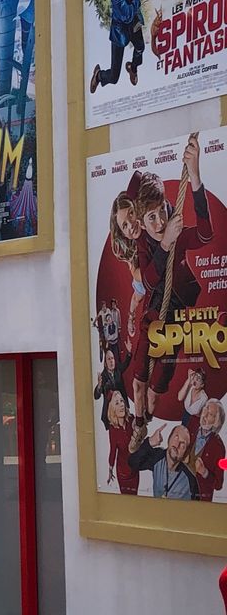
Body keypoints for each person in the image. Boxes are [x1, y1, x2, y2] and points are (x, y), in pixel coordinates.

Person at [130, 136, 212, 451]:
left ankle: (147, 417)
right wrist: (164, 244)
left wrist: (195, 178)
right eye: (151, 218)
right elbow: (151, 281)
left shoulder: (174, 229)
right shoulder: (144, 242)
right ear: (141, 222)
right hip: (151, 317)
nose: (160, 221)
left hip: (173, 322)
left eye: (162, 212)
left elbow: (205, 234)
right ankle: (139, 426)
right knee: (139, 381)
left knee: (156, 390)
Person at [89, 0, 148, 92]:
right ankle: (98, 76)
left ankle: (133, 68)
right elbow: (126, 15)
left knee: (140, 48)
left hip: (134, 23)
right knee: (114, 77)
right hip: (120, 32)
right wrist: (138, 0)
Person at [129, 423, 198, 499]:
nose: (177, 444)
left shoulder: (190, 478)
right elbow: (132, 463)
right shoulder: (158, 457)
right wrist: (150, 442)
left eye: (183, 445)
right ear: (169, 438)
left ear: (186, 453)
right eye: (176, 437)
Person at [187, 398, 226, 502]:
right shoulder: (192, 423)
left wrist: (204, 472)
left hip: (199, 498)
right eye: (206, 409)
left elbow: (218, 484)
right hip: (178, 492)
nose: (205, 415)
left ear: (216, 422)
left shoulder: (218, 447)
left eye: (210, 414)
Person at [107, 391, 139, 495]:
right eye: (117, 403)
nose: (121, 405)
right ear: (113, 409)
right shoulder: (113, 429)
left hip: (134, 469)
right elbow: (113, 450)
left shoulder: (131, 419)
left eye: (122, 401)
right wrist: (110, 469)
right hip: (123, 472)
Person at [94, 346, 132, 429]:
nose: (111, 361)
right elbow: (96, 396)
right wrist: (99, 385)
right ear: (105, 363)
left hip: (122, 405)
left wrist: (129, 353)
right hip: (110, 409)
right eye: (109, 359)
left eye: (112, 358)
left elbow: (125, 364)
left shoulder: (118, 369)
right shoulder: (103, 376)